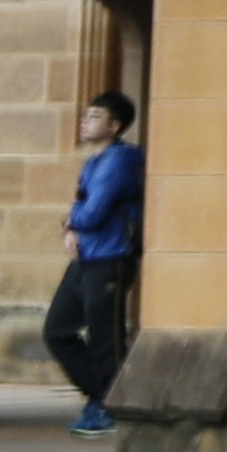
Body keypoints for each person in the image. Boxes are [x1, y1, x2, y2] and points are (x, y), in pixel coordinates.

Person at [47, 89, 141, 433]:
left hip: (110, 258)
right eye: (86, 115)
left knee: (106, 338)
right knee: (57, 329)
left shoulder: (119, 161)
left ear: (115, 126)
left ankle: (109, 406)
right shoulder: (94, 162)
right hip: (86, 257)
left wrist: (72, 222)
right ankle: (102, 396)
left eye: (95, 116)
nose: (86, 121)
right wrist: (71, 225)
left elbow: (93, 212)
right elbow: (82, 210)